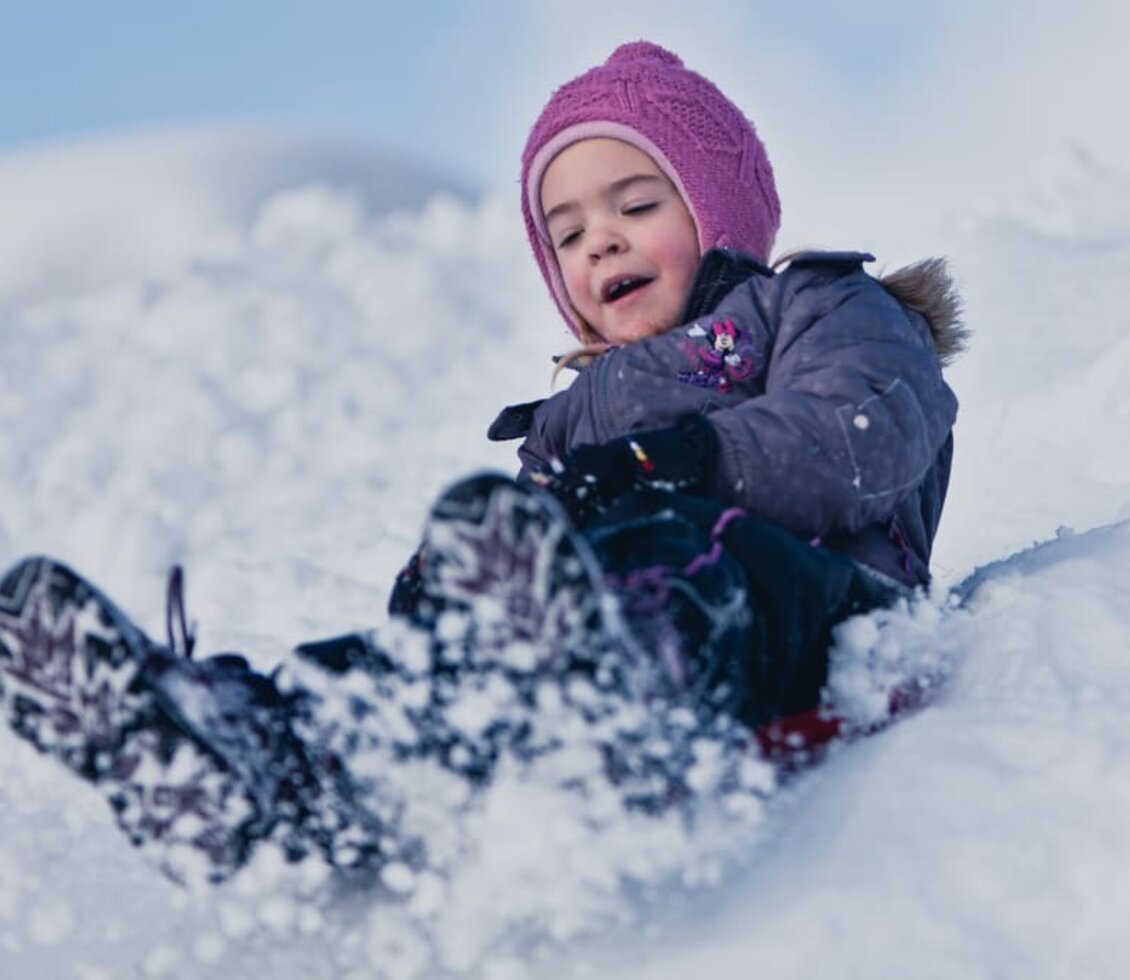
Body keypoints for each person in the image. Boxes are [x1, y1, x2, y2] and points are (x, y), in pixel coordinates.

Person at [0, 41, 965, 885]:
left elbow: (860, 432)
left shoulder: (820, 305)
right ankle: (247, 753)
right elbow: (521, 565)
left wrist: (683, 456)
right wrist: (439, 595)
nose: (604, 242)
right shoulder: (564, 421)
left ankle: (596, 690)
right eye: (571, 233)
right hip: (589, 633)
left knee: (667, 545)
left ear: (720, 213)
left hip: (812, 615)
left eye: (637, 203)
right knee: (421, 651)